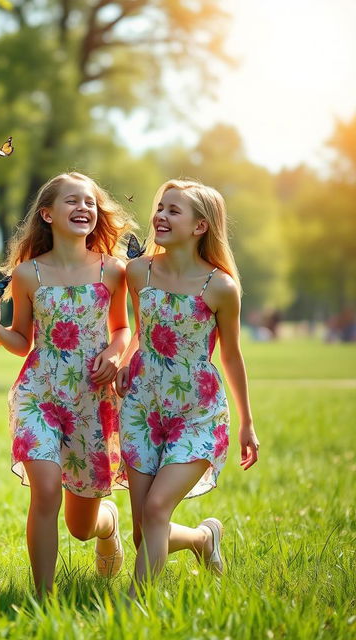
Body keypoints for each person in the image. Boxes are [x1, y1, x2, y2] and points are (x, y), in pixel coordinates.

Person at [0, 171, 135, 594]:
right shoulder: (28, 275)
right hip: (40, 394)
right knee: (45, 490)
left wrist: (116, 353)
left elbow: (123, 329)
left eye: (89, 201)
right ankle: (42, 598)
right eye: (72, 201)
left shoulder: (114, 271)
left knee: (81, 528)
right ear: (47, 214)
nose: (83, 208)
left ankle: (107, 525)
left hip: (92, 399)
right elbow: (21, 342)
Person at [116, 179, 259, 595]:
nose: (160, 215)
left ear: (200, 226)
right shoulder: (138, 271)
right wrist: (126, 361)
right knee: (145, 529)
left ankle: (133, 606)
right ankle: (201, 539)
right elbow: (144, 331)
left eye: (173, 210)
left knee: (158, 509)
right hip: (143, 407)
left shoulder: (220, 286)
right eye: (160, 207)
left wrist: (247, 423)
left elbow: (231, 356)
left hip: (197, 413)